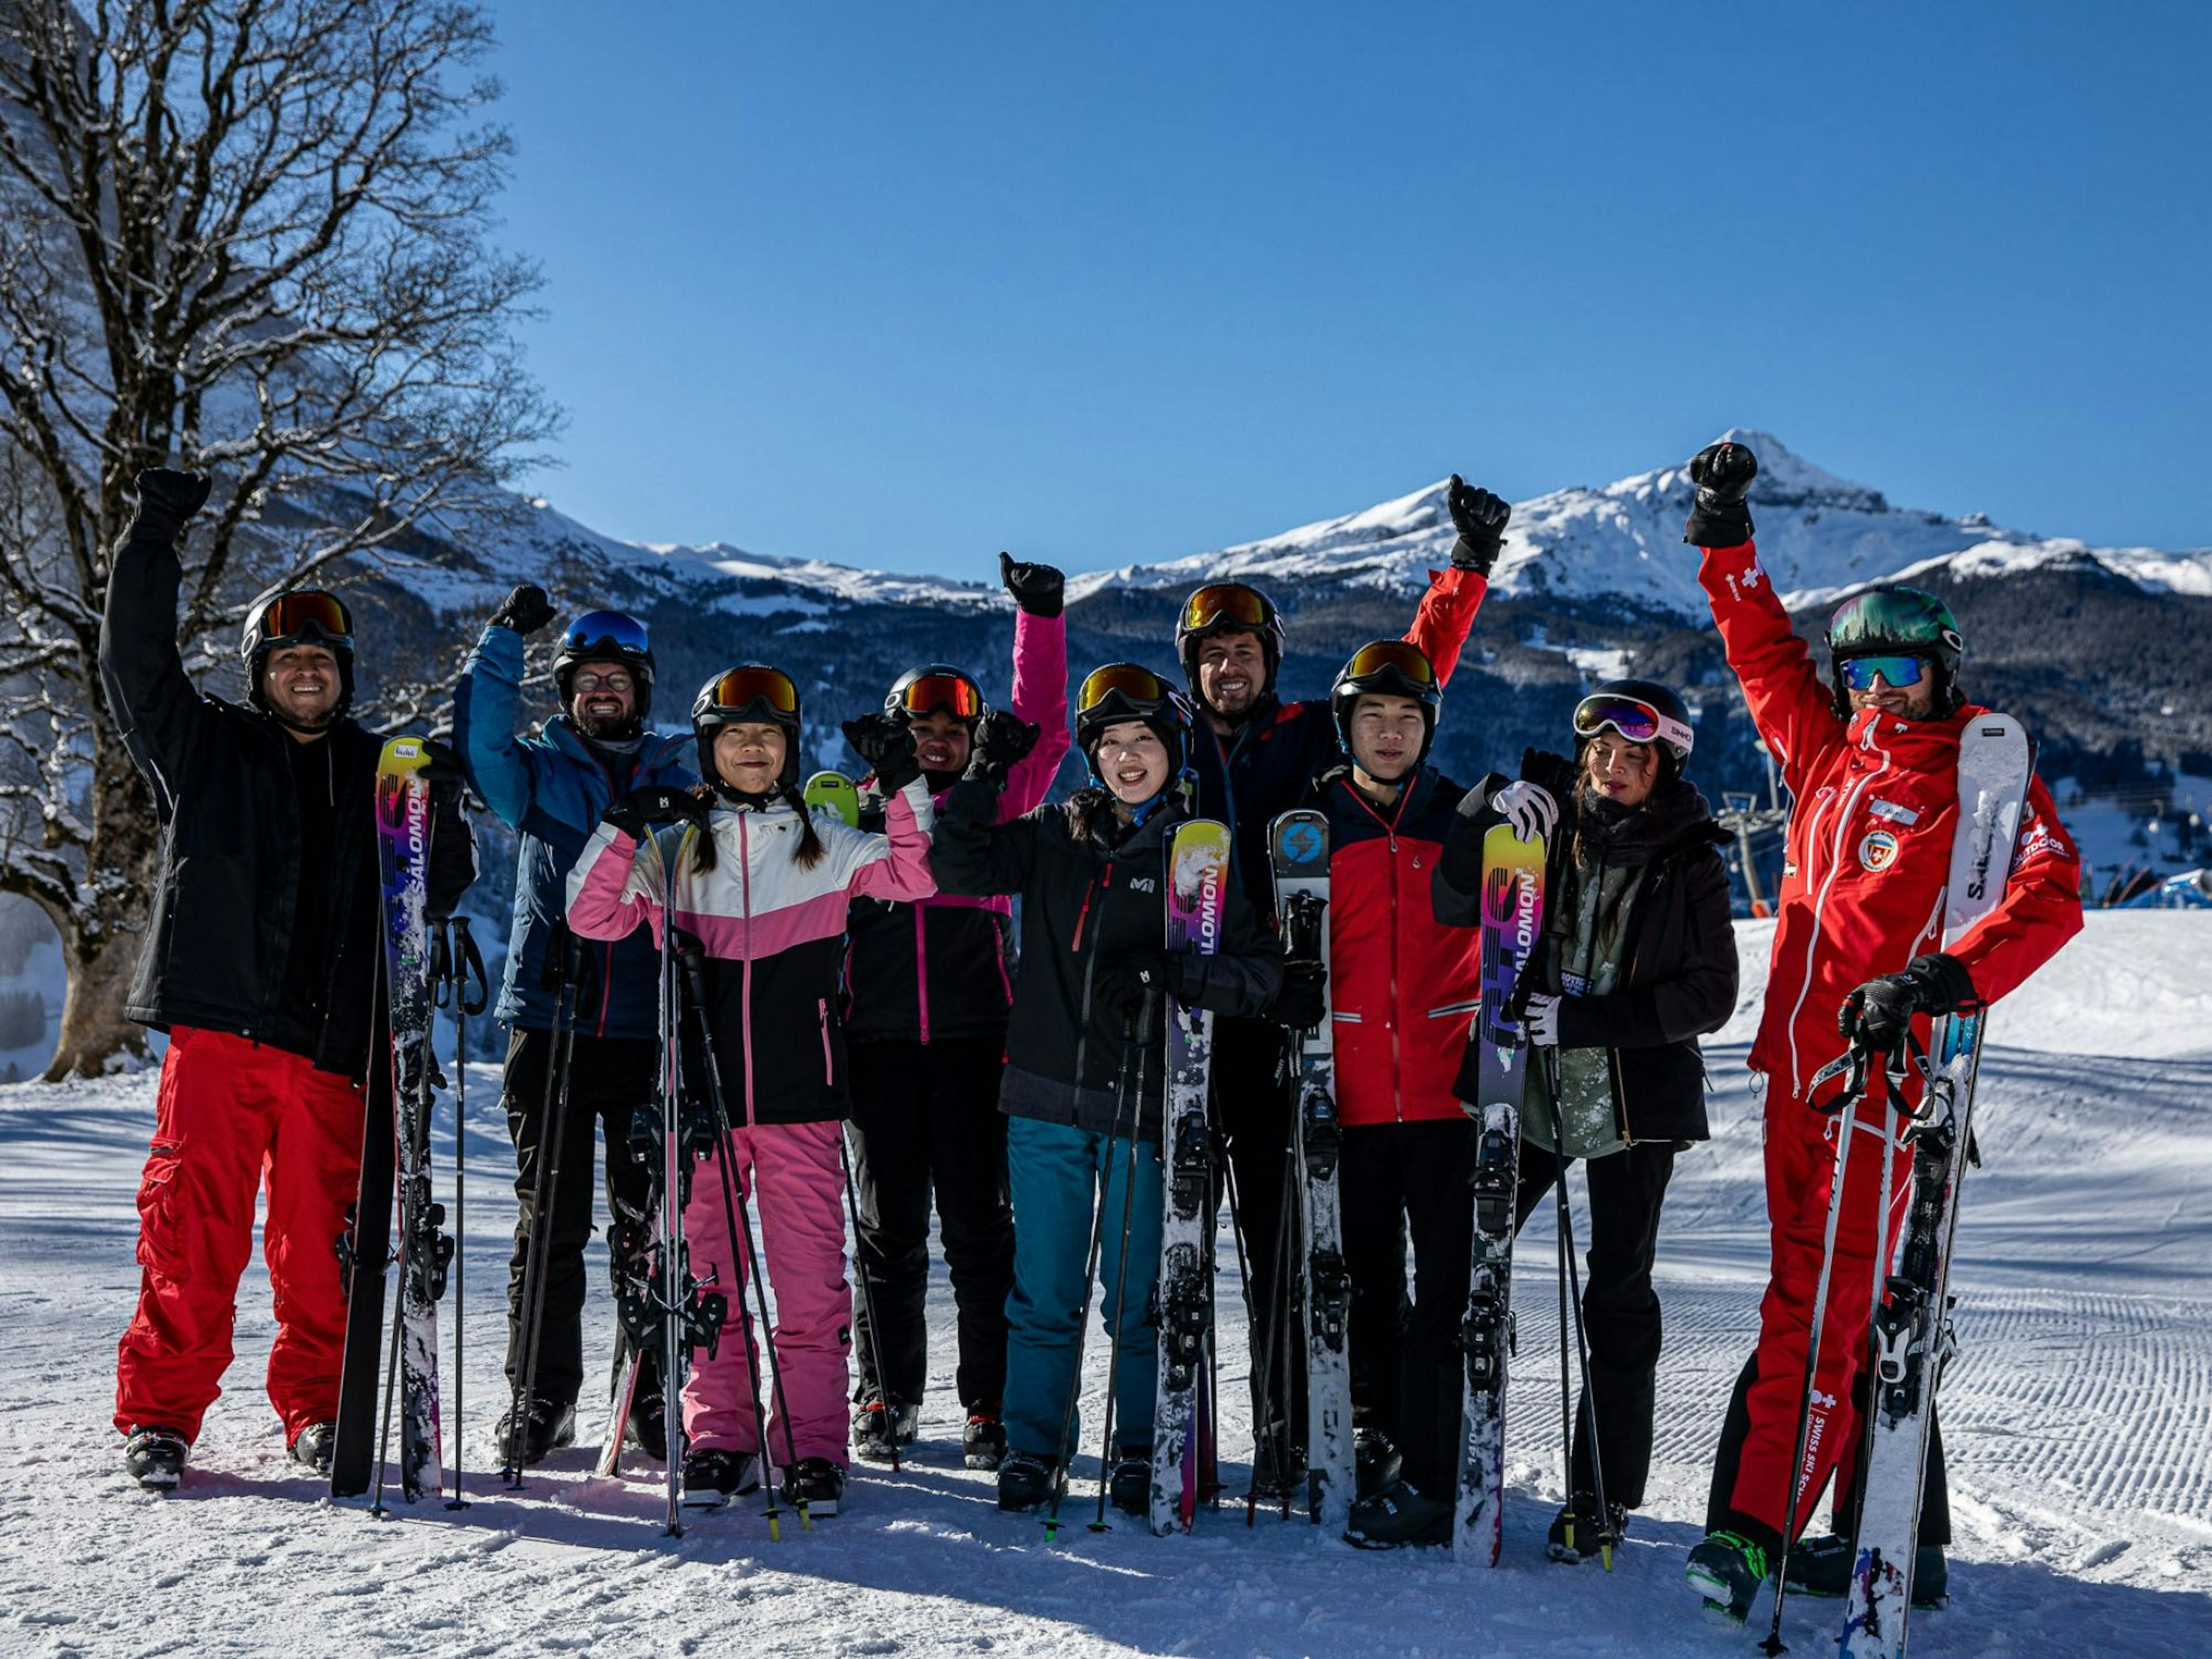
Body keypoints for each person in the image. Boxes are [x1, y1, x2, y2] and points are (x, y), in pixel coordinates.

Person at [1672, 440, 2084, 1618]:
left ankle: (1753, 1533)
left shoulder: (1977, 772)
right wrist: (1724, 535)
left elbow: (2051, 895)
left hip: (1882, 1081)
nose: (1877, 691)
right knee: (1841, 1306)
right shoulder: (1824, 754)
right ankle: (1902, 1530)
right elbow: (1758, 651)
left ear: (1943, 671)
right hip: (1795, 1073)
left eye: (1901, 668)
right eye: (1859, 672)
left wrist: (1942, 983)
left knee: (1820, 1307)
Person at [103, 467, 475, 1489]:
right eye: (288, 658)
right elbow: (132, 662)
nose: (306, 671)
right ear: (259, 671)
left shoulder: (381, 768)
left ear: (346, 674)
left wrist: (438, 805)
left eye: (323, 658)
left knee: (326, 1252)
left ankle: (318, 1408)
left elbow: (436, 892)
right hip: (222, 1036)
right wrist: (155, 530)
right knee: (191, 1231)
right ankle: (163, 1416)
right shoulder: (207, 747)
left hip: (336, 1048)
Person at [1179, 475, 1506, 1493]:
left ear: (1271, 663)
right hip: (1205, 1014)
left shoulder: (1307, 739)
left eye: (1245, 652)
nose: (1229, 669)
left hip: (1296, 1021)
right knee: (1219, 1233)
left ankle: (1304, 1424)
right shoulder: (1161, 749)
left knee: (1296, 1235)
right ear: (1191, 672)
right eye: (1212, 656)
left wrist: (1464, 573)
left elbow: (1405, 689)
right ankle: (1287, 1421)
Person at [565, 665, 935, 1517]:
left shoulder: (827, 842)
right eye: (736, 736)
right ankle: (719, 1441)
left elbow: (917, 876)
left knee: (809, 1291)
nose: (754, 748)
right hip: (697, 1107)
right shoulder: (672, 850)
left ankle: (811, 1449)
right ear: (709, 748)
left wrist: (905, 780)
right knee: (710, 1285)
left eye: (769, 736)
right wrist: (623, 827)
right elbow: (591, 916)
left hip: (802, 1101)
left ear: (789, 748)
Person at [929, 664, 1283, 1514]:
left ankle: (1139, 1444)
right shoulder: (1053, 833)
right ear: (1092, 755)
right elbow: (956, 865)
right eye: (1112, 744)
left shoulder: (1198, 852)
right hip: (1045, 1099)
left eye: (1145, 742)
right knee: (1045, 1293)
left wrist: (1180, 976)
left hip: (1148, 1107)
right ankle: (1034, 1446)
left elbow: (1264, 976)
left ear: (1172, 751)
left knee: (1137, 1301)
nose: (1129, 758)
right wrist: (982, 774)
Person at [1433, 679, 1738, 1558]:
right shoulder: (1540, 824)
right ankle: (1445, 1457)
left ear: (1663, 767)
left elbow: (1711, 994)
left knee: (1616, 1290)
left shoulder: (1691, 859)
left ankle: (1601, 1493)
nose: (1609, 767)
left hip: (1632, 1101)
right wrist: (1483, 807)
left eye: (1632, 758)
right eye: (1599, 751)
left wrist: (1588, 1022)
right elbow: (1457, 900)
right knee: (1467, 1254)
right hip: (1522, 1088)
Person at [452, 588, 695, 1465]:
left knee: (651, 1224)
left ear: (641, 690)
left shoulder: (680, 770)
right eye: (587, 680)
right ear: (567, 694)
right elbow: (477, 744)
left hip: (646, 1029)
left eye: (617, 681)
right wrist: (503, 642)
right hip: (550, 1024)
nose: (602, 693)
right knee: (549, 1221)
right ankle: (543, 1397)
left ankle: (653, 1396)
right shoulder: (538, 771)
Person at [842, 553, 1071, 1470]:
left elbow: (1048, 730)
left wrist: (1039, 618)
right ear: (896, 732)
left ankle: (990, 1407)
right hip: (881, 1049)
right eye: (920, 724)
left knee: (981, 1236)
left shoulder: (997, 803)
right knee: (889, 1235)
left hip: (980, 1046)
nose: (937, 738)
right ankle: (887, 1394)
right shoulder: (855, 811)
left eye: (955, 725)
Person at [1266, 639, 1480, 1547]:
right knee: (1363, 1286)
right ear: (1346, 725)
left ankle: (1438, 1468)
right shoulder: (1309, 826)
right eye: (1372, 718)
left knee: (1449, 1293)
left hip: (1448, 1094)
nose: (1389, 735)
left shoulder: (1465, 818)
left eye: (1406, 719)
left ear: (1428, 728)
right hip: (1344, 1097)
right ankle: (1382, 1435)